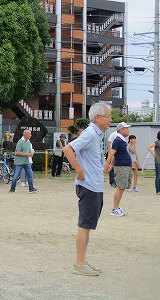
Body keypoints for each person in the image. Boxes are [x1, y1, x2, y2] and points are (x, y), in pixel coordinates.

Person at [63, 102, 112, 276]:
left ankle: (82, 261)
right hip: (89, 186)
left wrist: (101, 168)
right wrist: (80, 171)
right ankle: (79, 264)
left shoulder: (96, 134)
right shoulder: (91, 133)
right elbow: (68, 149)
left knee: (88, 225)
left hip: (95, 186)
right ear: (97, 118)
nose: (110, 119)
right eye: (108, 116)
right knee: (84, 225)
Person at [104, 122, 132, 217]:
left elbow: (115, 155)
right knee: (120, 188)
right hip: (121, 166)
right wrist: (107, 166)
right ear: (121, 130)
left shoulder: (122, 140)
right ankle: (115, 209)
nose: (128, 130)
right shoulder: (118, 140)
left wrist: (111, 164)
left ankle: (117, 207)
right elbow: (111, 153)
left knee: (123, 187)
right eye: (126, 128)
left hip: (125, 166)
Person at [9, 130, 38, 194]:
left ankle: (31, 188)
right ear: (26, 135)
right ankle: (12, 188)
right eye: (30, 134)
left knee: (30, 174)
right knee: (16, 176)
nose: (31, 135)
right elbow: (17, 152)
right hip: (19, 162)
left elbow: (29, 150)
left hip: (26, 161)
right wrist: (27, 154)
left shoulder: (28, 141)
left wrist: (31, 153)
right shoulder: (20, 142)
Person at [147, 130, 160, 195]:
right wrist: (153, 154)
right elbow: (148, 147)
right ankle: (158, 190)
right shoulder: (157, 142)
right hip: (158, 161)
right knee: (158, 176)